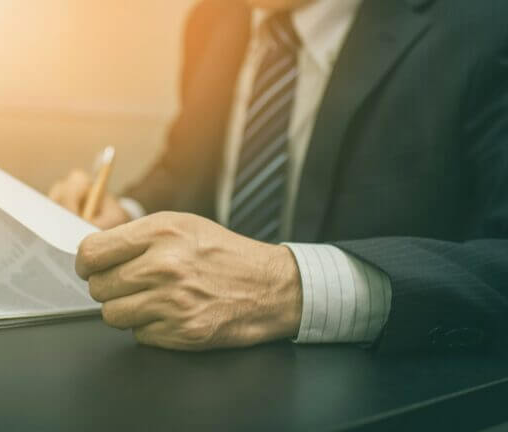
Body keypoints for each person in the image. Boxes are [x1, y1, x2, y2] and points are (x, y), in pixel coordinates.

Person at [48, 0, 508, 353]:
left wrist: (287, 287)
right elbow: (187, 169)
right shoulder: (215, 19)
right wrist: (125, 215)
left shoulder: (485, 26)